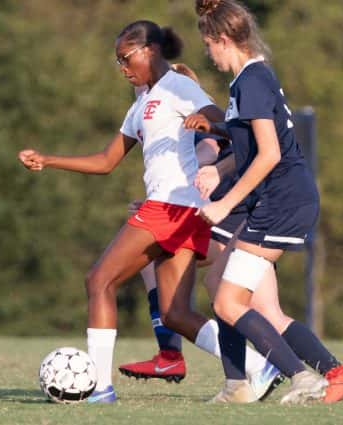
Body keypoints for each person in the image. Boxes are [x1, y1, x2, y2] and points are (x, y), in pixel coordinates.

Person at [19, 20, 244, 404]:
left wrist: (211, 122)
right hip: (181, 212)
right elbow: (107, 161)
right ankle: (256, 368)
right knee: (175, 314)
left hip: (171, 206)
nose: (122, 67)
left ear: (150, 51)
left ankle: (99, 387)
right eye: (117, 61)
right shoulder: (141, 104)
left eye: (126, 58)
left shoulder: (176, 85)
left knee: (99, 281)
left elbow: (227, 122)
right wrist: (49, 159)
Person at [191, 0, 343, 404]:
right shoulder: (248, 80)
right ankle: (241, 384)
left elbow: (270, 155)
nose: (208, 53)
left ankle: (301, 376)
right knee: (218, 284)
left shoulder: (251, 81)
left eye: (208, 44)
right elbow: (254, 150)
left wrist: (222, 202)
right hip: (280, 197)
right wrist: (221, 168)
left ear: (223, 39)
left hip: (283, 200)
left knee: (229, 301)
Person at [118, 64, 284, 401]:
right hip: (212, 221)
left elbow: (208, 151)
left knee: (267, 313)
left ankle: (319, 372)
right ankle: (172, 355)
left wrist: (182, 182)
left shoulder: (197, 122)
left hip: (234, 222)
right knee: (159, 268)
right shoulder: (162, 119)